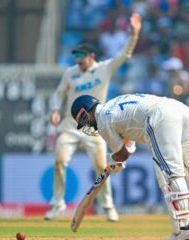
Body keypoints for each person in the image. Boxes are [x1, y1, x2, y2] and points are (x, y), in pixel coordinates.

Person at [70, 94, 189, 240]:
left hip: (160, 117)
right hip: (180, 109)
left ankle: (184, 227)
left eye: (84, 120)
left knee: (170, 174)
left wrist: (113, 159)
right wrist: (116, 159)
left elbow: (122, 154)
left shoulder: (103, 122)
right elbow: (128, 145)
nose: (87, 125)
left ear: (86, 112)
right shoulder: (113, 105)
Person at [44, 13, 141, 221]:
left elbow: (124, 56)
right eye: (76, 56)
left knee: (101, 167)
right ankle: (57, 203)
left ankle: (108, 206)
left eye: (81, 56)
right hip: (70, 126)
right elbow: (59, 93)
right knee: (59, 161)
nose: (78, 60)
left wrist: (133, 36)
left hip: (96, 127)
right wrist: (55, 110)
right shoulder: (70, 72)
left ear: (92, 56)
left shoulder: (104, 69)